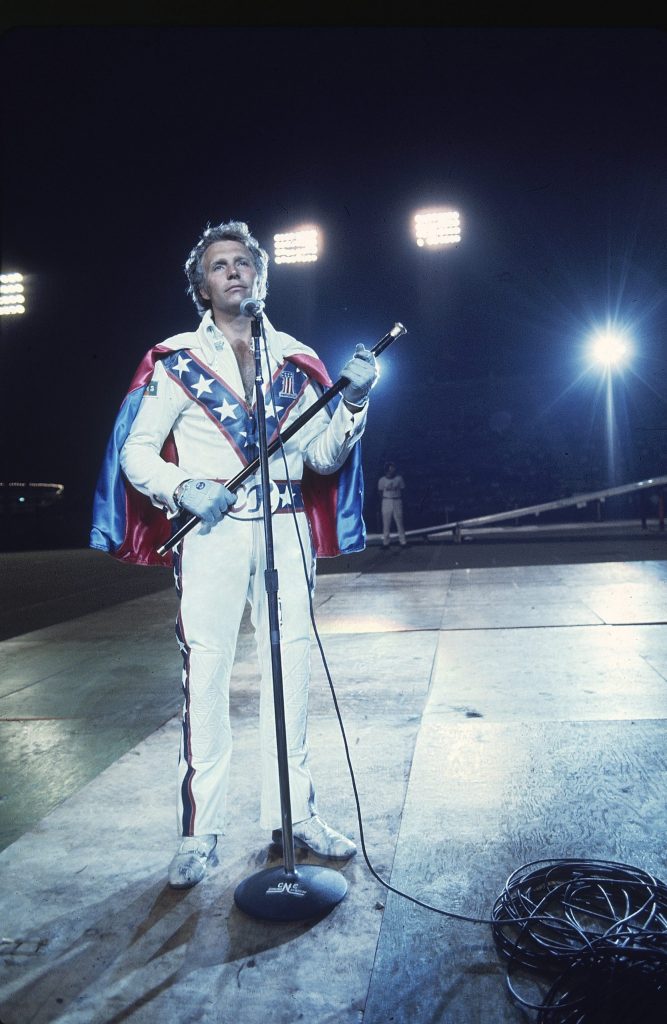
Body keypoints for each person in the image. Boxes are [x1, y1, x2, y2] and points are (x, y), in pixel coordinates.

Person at [90, 219, 378, 889]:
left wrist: (355, 401)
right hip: (213, 533)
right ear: (201, 285)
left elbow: (321, 455)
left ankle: (294, 815)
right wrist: (183, 486)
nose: (235, 272)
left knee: (293, 671)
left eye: (244, 263)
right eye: (221, 265)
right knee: (209, 674)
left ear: (260, 276)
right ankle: (201, 831)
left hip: (283, 526)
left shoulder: (297, 357)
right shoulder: (174, 359)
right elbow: (136, 451)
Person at [377, 461, 407, 548]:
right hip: (386, 501)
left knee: (399, 522)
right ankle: (386, 543)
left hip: (397, 500)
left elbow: (403, 490)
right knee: (386, 523)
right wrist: (384, 499)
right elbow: (380, 491)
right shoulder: (382, 480)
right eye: (391, 468)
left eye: (393, 468)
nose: (393, 470)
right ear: (387, 470)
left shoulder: (399, 479)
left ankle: (403, 542)